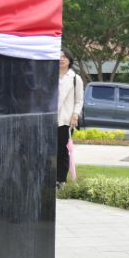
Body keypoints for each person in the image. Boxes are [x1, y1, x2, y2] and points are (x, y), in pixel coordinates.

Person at [57, 52, 83, 185]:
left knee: (63, 151)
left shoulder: (75, 78)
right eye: (59, 56)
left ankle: (61, 180)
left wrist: (75, 115)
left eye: (64, 57)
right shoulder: (49, 75)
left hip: (65, 119)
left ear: (69, 60)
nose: (61, 59)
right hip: (50, 118)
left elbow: (79, 100)